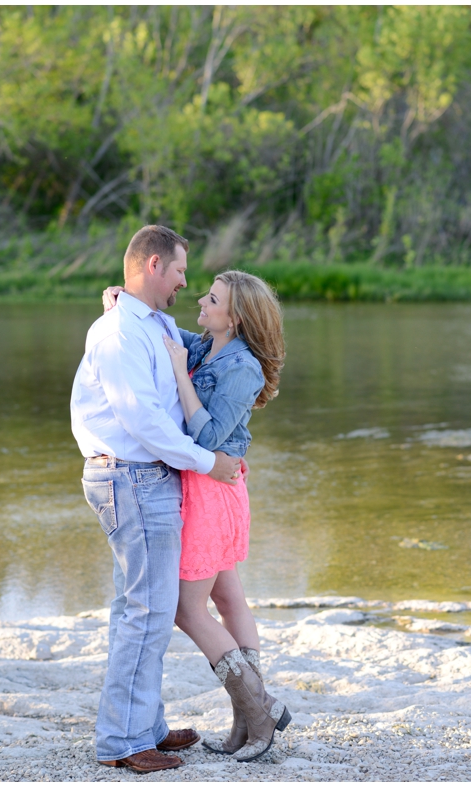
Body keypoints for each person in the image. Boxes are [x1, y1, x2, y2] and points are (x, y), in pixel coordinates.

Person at [71, 225, 243, 773]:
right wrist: (208, 462)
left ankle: (145, 724)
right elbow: (142, 421)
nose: (184, 283)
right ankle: (122, 743)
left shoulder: (151, 321)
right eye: (178, 271)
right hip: (132, 476)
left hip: (146, 477)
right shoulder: (122, 332)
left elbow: (199, 355)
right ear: (152, 266)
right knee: (146, 612)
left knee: (142, 608)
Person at [102, 270, 290, 763]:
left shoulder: (242, 367)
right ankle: (248, 721)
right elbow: (160, 329)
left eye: (212, 298)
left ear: (236, 316)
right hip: (204, 485)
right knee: (228, 596)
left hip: (213, 489)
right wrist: (124, 301)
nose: (199, 301)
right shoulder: (206, 343)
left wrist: (182, 376)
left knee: (187, 609)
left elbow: (207, 440)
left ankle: (259, 707)